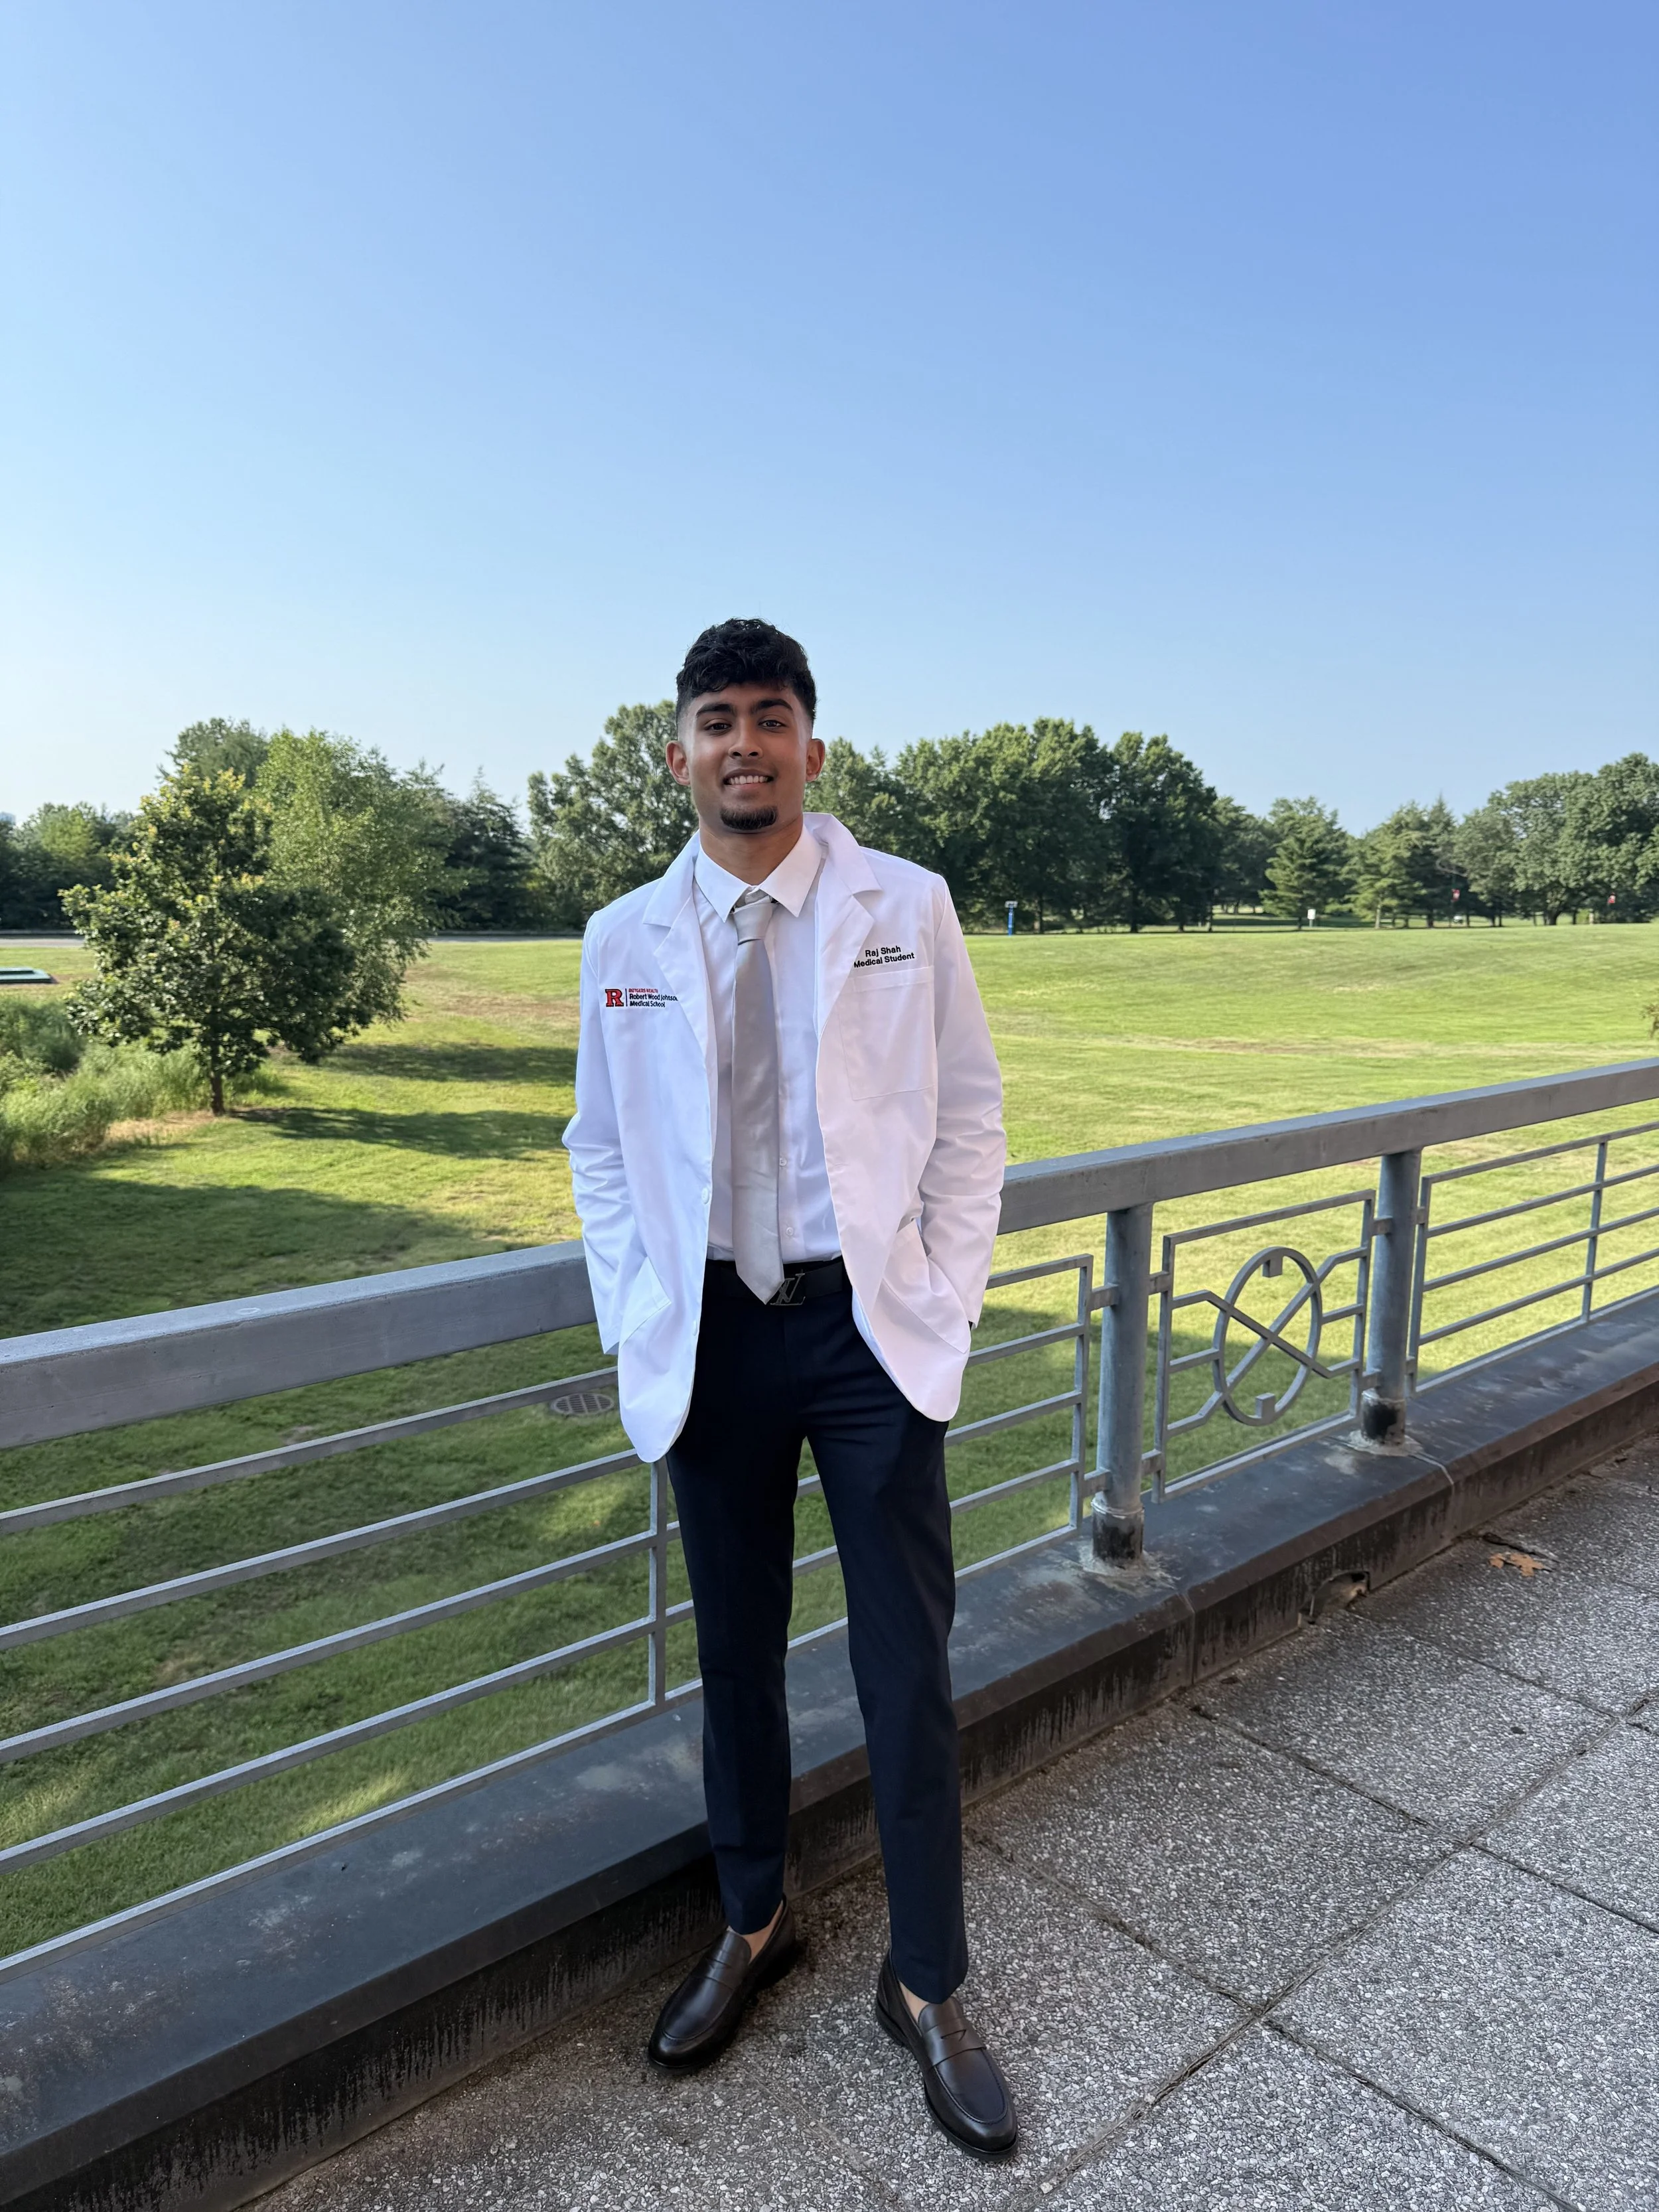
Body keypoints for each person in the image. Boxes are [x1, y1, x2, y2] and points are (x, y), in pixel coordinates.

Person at [564, 618, 1013, 2158]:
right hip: (709, 1335)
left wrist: (937, 1297)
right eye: (713, 719)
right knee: (737, 1657)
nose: (742, 742)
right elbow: (601, 1152)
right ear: (677, 751)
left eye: (769, 716)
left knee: (905, 1667)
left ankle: (927, 1979)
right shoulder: (620, 937)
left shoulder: (908, 907)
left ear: (812, 747)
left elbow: (967, 1119)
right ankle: (755, 1922)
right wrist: (637, 1300)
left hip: (863, 1335)